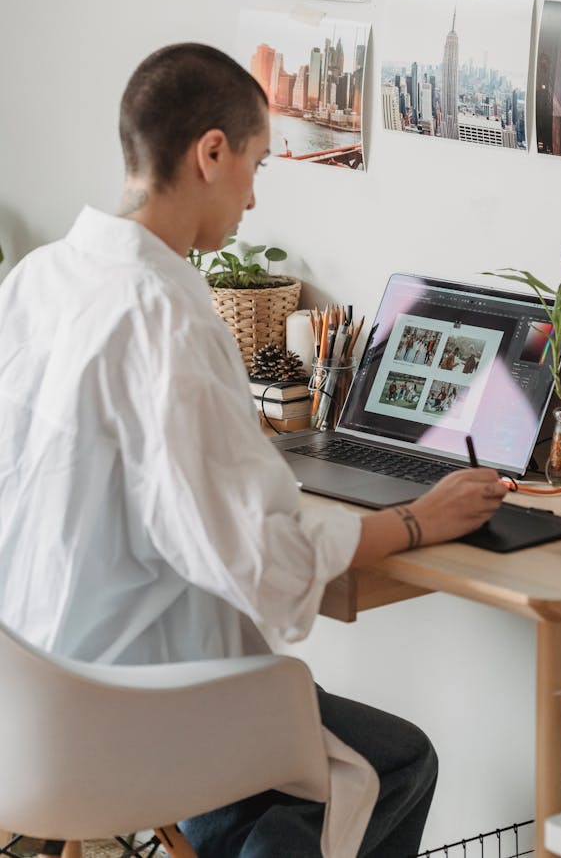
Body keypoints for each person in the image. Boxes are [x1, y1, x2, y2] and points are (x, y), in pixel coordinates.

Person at [0, 44, 506, 858]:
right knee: (394, 761)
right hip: (119, 720)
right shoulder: (168, 311)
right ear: (210, 152)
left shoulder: (36, 281)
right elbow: (264, 561)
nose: (254, 194)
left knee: (272, 753)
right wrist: (416, 519)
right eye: (257, 161)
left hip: (21, 713)